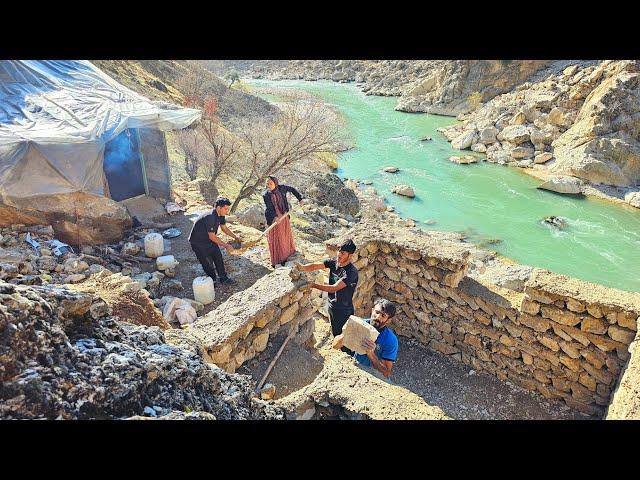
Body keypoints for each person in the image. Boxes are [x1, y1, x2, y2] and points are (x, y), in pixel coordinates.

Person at [295, 239, 359, 352]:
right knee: (335, 331)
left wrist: (313, 285)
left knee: (345, 336)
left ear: (350, 256)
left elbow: (334, 288)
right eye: (339, 251)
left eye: (343, 253)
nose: (339, 254)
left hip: (344, 309)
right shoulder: (335, 262)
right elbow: (316, 266)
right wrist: (303, 268)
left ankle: (347, 356)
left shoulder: (351, 272)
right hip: (332, 305)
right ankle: (338, 350)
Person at [332, 299, 399, 379]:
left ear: (388, 320)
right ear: (372, 310)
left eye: (383, 316)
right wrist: (345, 334)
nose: (377, 317)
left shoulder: (390, 340)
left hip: (374, 379)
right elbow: (334, 346)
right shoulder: (360, 324)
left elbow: (386, 373)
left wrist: (371, 354)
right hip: (356, 369)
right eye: (377, 312)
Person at [188, 197, 241, 285]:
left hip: (209, 240)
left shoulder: (221, 215)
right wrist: (226, 245)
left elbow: (224, 228)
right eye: (226, 209)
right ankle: (212, 280)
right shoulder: (210, 217)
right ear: (218, 207)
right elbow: (212, 236)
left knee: (218, 257)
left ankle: (223, 278)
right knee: (208, 263)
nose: (227, 211)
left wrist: (235, 237)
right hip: (198, 243)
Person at [263, 176, 303, 268]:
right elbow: (269, 208)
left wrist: (300, 198)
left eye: (270, 183)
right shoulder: (266, 194)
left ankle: (287, 254)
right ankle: (278, 259)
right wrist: (275, 217)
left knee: (285, 235)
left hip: (284, 215)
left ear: (275, 183)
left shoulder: (282, 188)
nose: (269, 185)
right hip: (274, 218)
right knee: (277, 237)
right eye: (267, 184)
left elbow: (292, 189)